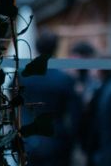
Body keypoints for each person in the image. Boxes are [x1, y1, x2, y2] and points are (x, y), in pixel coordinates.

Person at [21, 31, 82, 166]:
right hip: (56, 141)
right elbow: (76, 116)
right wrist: (72, 140)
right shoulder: (65, 79)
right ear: (56, 48)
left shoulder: (22, 76)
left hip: (29, 140)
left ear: (36, 47)